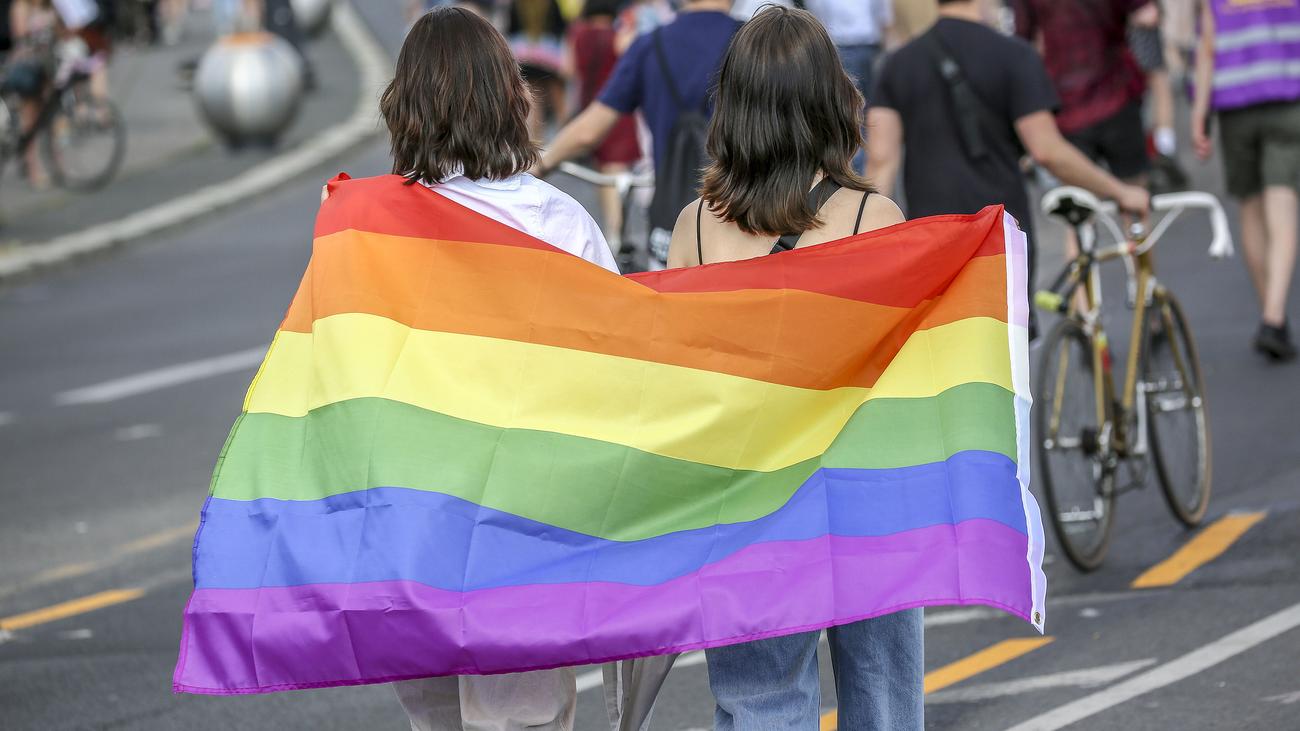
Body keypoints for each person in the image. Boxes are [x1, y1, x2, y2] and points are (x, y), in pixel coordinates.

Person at [360, 8, 618, 729]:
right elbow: (612, 373)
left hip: (410, 516)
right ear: (510, 96)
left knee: (435, 717)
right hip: (527, 514)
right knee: (521, 714)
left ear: (405, 107)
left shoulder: (374, 229)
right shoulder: (559, 223)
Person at [665, 8, 920, 728]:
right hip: (865, 499)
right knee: (885, 700)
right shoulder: (875, 219)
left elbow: (681, 382)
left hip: (749, 501)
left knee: (759, 703)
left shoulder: (695, 229)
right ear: (830, 99)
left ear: (734, 105)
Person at [868, 0, 1150, 334]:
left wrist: (866, 248)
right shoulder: (1015, 56)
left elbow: (880, 163)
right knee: (1006, 356)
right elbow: (1047, 151)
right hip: (999, 231)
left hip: (931, 235)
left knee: (946, 350)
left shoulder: (896, 65)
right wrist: (1121, 191)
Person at [533, 0, 740, 266]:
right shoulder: (750, 41)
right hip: (742, 216)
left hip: (671, 218)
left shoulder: (650, 45)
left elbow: (590, 129)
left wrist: (541, 164)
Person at [1191, 0, 1300, 361]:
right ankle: (1275, 314)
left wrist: (1198, 113)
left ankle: (1272, 315)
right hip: (1287, 99)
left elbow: (1207, 47)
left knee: (1251, 208)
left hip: (1235, 106)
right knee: (1282, 208)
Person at [1012, 0, 1153, 186]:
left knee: (1081, 200)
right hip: (1114, 91)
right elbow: (1148, 15)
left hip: (1068, 104)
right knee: (1133, 190)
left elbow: (1022, 37)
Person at [568, 0, 641, 252]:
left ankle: (611, 234)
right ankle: (617, 235)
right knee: (617, 177)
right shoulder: (619, 36)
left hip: (590, 110)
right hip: (617, 117)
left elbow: (569, 70)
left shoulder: (578, 35)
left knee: (602, 176)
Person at [802, 0, 892, 170]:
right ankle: (862, 160)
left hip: (857, 46)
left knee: (855, 107)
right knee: (862, 107)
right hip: (852, 46)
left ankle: (861, 160)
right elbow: (884, 15)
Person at [509, 0, 568, 140]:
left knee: (535, 99)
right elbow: (561, 27)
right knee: (558, 97)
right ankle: (564, 136)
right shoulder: (551, 3)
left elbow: (512, 29)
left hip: (526, 55)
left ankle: (536, 140)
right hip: (549, 55)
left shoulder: (517, 4)